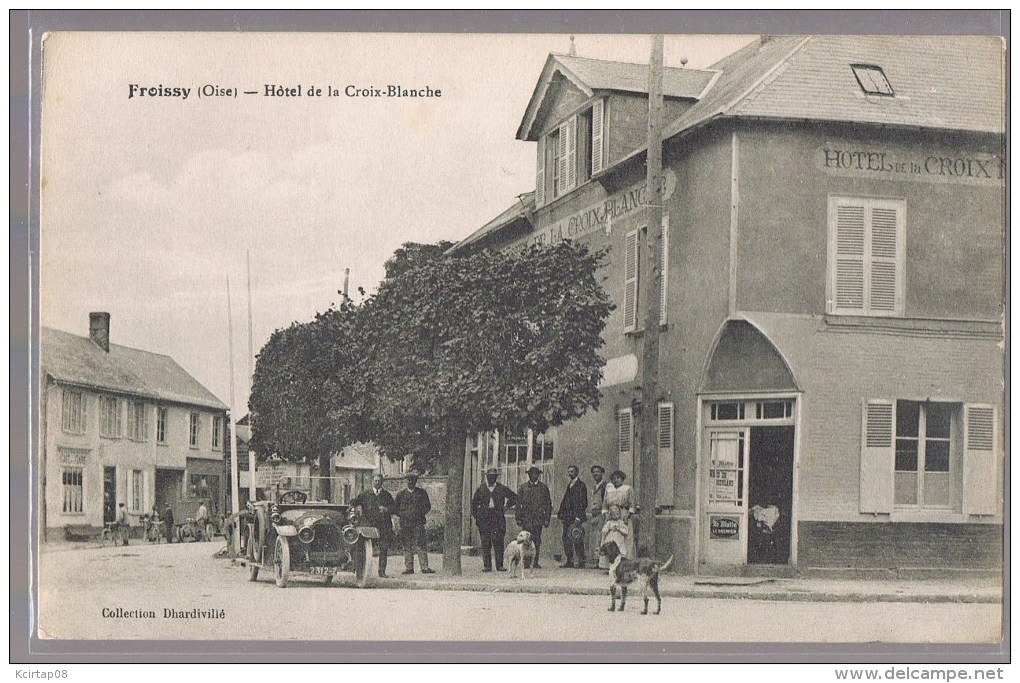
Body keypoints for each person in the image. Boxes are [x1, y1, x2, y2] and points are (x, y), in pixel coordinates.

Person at [470, 468, 518, 572]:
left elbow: (514, 497)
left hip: (498, 518)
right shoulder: (481, 489)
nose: (492, 478)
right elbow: (473, 504)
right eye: (490, 476)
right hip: (485, 519)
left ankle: (499, 565)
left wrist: (505, 508)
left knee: (499, 541)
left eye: (494, 476)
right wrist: (478, 517)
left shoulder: (501, 488)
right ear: (486, 477)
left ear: (496, 477)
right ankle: (487, 566)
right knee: (486, 542)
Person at [352, 474, 396, 578]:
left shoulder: (387, 495)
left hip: (384, 526)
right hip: (369, 526)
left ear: (382, 482)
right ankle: (361, 570)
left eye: (379, 481)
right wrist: (352, 506)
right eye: (375, 481)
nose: (377, 483)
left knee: (383, 549)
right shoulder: (365, 494)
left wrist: (387, 510)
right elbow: (355, 502)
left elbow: (394, 509)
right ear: (372, 481)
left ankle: (382, 572)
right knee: (364, 548)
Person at [394, 471, 435, 575]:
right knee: (407, 545)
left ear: (416, 481)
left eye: (412, 480)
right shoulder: (401, 494)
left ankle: (424, 567)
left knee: (421, 545)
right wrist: (404, 514)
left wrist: (419, 514)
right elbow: (395, 509)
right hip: (405, 524)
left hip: (418, 523)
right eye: (408, 480)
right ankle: (409, 568)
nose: (410, 482)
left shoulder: (422, 493)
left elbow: (427, 506)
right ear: (406, 481)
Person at [515, 466, 552, 569]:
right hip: (526, 519)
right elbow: (518, 504)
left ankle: (535, 562)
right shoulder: (523, 487)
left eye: (536, 474)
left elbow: (548, 504)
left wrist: (546, 519)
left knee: (536, 540)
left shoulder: (543, 488)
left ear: (538, 475)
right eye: (532, 474)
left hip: (538, 519)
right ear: (529, 475)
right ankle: (526, 561)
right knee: (526, 540)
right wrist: (518, 518)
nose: (534, 476)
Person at [557, 465, 588, 568]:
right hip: (567, 517)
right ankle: (569, 560)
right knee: (566, 538)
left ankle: (581, 560)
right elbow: (565, 500)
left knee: (577, 537)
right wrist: (560, 513)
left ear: (577, 472)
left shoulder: (581, 485)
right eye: (569, 472)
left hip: (575, 517)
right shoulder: (569, 484)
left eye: (572, 471)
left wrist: (579, 516)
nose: (570, 473)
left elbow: (583, 502)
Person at [603, 470, 637, 558]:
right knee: (610, 535)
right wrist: (606, 514)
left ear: (622, 479)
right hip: (611, 514)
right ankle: (609, 561)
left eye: (618, 478)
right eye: (614, 478)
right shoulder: (609, 489)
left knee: (625, 535)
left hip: (623, 513)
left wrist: (628, 514)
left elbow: (632, 504)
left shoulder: (627, 489)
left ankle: (626, 559)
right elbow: (605, 504)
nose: (616, 480)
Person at [585, 465, 608, 567]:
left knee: (600, 538)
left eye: (598, 472)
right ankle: (595, 561)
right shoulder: (594, 487)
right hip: (594, 515)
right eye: (593, 472)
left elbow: (606, 501)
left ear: (602, 473)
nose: (595, 474)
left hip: (601, 515)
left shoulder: (605, 486)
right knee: (594, 538)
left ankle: (600, 561)